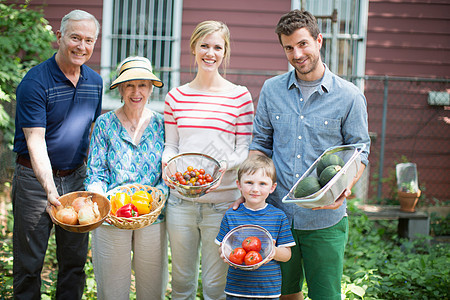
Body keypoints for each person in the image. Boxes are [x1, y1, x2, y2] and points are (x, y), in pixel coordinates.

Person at [246, 9, 371, 300]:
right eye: (288, 47)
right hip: (277, 216)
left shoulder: (349, 96)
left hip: (324, 220)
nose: (297, 53)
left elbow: (360, 151)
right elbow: (261, 144)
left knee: (325, 295)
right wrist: (251, 187)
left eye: (303, 44)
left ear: (319, 40)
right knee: (285, 294)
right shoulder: (271, 89)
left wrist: (346, 186)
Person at [11, 9, 102, 300]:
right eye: (75, 37)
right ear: (59, 36)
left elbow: (89, 134)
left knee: (74, 264)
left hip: (75, 180)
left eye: (89, 40)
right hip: (34, 184)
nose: (82, 46)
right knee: (29, 264)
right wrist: (50, 189)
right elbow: (35, 142)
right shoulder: (35, 82)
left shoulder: (96, 83)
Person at [162, 20, 254, 299]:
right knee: (181, 285)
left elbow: (244, 149)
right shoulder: (175, 97)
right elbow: (172, 145)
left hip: (223, 204)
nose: (210, 53)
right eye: (204, 45)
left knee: (216, 287)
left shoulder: (240, 96)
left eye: (217, 47)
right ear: (194, 48)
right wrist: (168, 162)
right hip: (181, 203)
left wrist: (228, 164)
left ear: (225, 52)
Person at [84, 56, 169, 299]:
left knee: (152, 289)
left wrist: (159, 197)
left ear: (151, 89)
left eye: (142, 85)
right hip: (112, 216)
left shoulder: (162, 125)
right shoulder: (104, 124)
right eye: (129, 85)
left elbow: (168, 173)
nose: (136, 91)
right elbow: (96, 171)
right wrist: (101, 200)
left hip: (153, 215)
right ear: (120, 88)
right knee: (111, 289)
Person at [216, 155, 295, 299]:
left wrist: (274, 251)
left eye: (262, 184)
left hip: (268, 290)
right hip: (236, 289)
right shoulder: (231, 215)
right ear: (239, 184)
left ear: (272, 187)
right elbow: (223, 246)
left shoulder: (278, 217)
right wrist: (224, 253)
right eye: (249, 182)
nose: (255, 189)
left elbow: (287, 255)